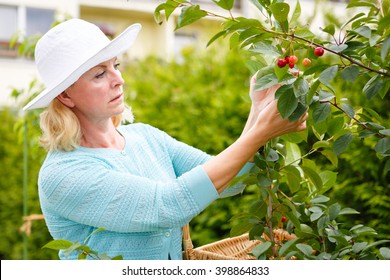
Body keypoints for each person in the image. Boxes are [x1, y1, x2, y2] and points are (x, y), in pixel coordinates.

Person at [23, 18, 307, 260]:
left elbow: (231, 179)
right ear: (65, 96)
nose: (118, 79)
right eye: (99, 74)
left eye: (115, 66)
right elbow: (168, 206)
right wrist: (260, 131)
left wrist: (258, 109)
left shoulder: (145, 137)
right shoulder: (63, 175)